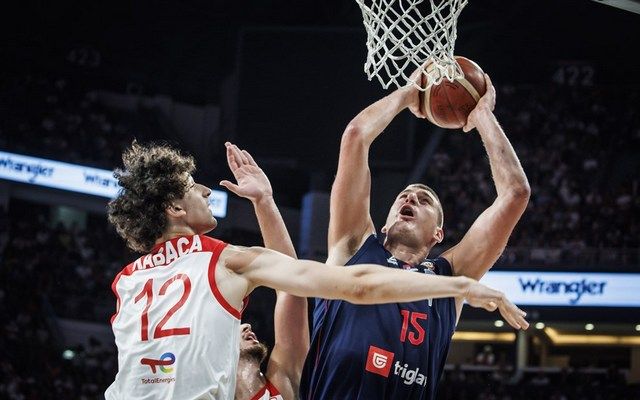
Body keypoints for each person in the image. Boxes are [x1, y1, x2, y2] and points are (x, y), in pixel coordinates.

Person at [104, 140, 527, 400]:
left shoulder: (127, 282)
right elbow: (328, 284)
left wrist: (265, 202)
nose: (205, 189)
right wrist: (462, 286)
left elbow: (290, 292)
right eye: (192, 187)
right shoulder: (226, 259)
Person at [300, 73, 530, 399]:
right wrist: (411, 93)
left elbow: (516, 194)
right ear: (384, 224)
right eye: (404, 196)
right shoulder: (353, 246)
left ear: (438, 233)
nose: (410, 198)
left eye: (424, 200)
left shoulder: (451, 277)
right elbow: (355, 136)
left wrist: (482, 116)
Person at [219, 142, 305, 400]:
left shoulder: (283, 384)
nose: (246, 324)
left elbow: (291, 286)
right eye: (233, 327)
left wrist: (263, 201)